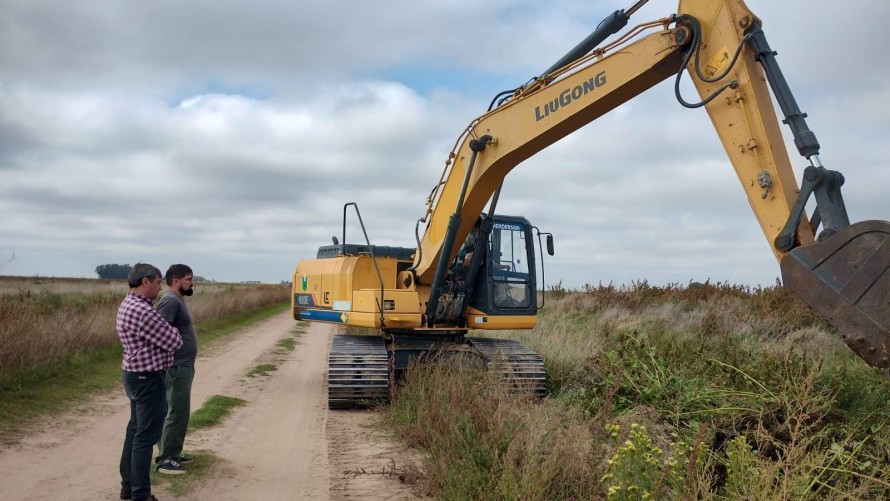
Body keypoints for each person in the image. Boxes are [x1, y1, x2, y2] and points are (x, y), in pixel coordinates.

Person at [117, 263, 183, 501]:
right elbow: (174, 340)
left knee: (135, 432)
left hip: (135, 375)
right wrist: (170, 332)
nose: (159, 287)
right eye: (156, 282)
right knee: (145, 437)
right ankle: (141, 494)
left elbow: (162, 338)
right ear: (144, 282)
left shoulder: (129, 303)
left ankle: (129, 486)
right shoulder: (143, 311)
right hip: (148, 377)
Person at [155, 264, 197, 475]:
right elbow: (159, 333)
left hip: (184, 365)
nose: (193, 282)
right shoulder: (170, 300)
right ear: (176, 281)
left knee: (181, 412)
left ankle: (173, 452)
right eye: (189, 279)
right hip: (177, 366)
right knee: (176, 412)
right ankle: (165, 460)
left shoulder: (178, 300)